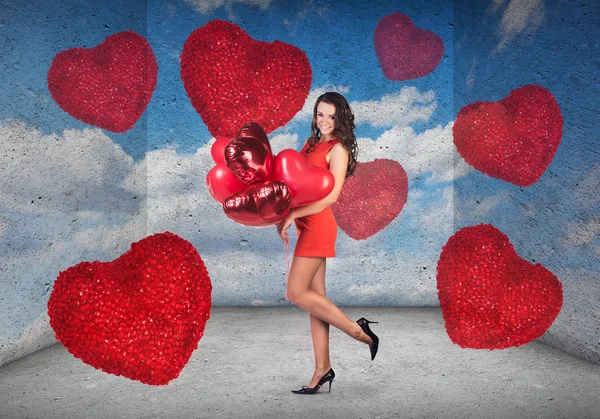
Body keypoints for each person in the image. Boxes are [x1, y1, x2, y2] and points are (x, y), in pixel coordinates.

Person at [276, 92, 379, 395]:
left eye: (331, 116)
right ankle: (323, 369)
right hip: (303, 223)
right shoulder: (309, 144)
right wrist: (282, 213)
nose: (324, 121)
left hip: (318, 225)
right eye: (320, 114)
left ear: (341, 119)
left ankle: (360, 333)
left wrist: (293, 213)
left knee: (295, 292)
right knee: (316, 303)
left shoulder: (338, 150)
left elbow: (330, 197)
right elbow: (293, 181)